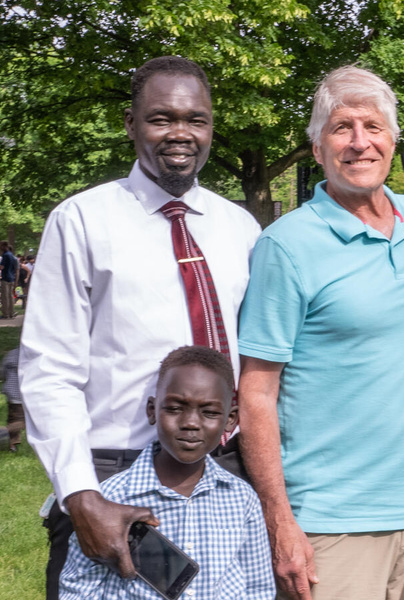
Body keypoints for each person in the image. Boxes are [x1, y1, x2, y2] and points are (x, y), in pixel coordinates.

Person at [19, 55, 262, 599]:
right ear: (131, 124)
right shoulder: (81, 221)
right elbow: (48, 370)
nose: (181, 133)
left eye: (195, 119)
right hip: (115, 476)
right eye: (162, 118)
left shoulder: (239, 228)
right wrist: (80, 495)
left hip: (223, 474)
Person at [237, 65, 404, 600]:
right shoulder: (285, 246)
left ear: (393, 140)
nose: (360, 143)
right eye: (341, 128)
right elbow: (256, 392)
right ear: (317, 150)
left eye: (373, 127)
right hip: (331, 524)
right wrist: (281, 522)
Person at [59, 345, 276, 599]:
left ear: (230, 419)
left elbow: (258, 587)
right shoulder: (109, 498)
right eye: (175, 408)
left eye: (209, 412)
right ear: (152, 410)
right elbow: (78, 590)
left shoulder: (242, 498)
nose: (191, 423)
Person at [2, 346, 24, 452]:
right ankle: (3, 432)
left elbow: (2, 371)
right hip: (22, 393)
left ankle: (11, 445)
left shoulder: (12, 354)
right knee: (23, 422)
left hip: (11, 392)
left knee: (13, 419)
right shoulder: (31, 355)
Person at [0, 241, 17, 319]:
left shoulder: (5, 255)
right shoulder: (12, 256)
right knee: (10, 296)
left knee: (5, 297)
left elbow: (2, 267)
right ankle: (11, 313)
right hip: (11, 278)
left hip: (5, 278)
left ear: (4, 246)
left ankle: (6, 314)